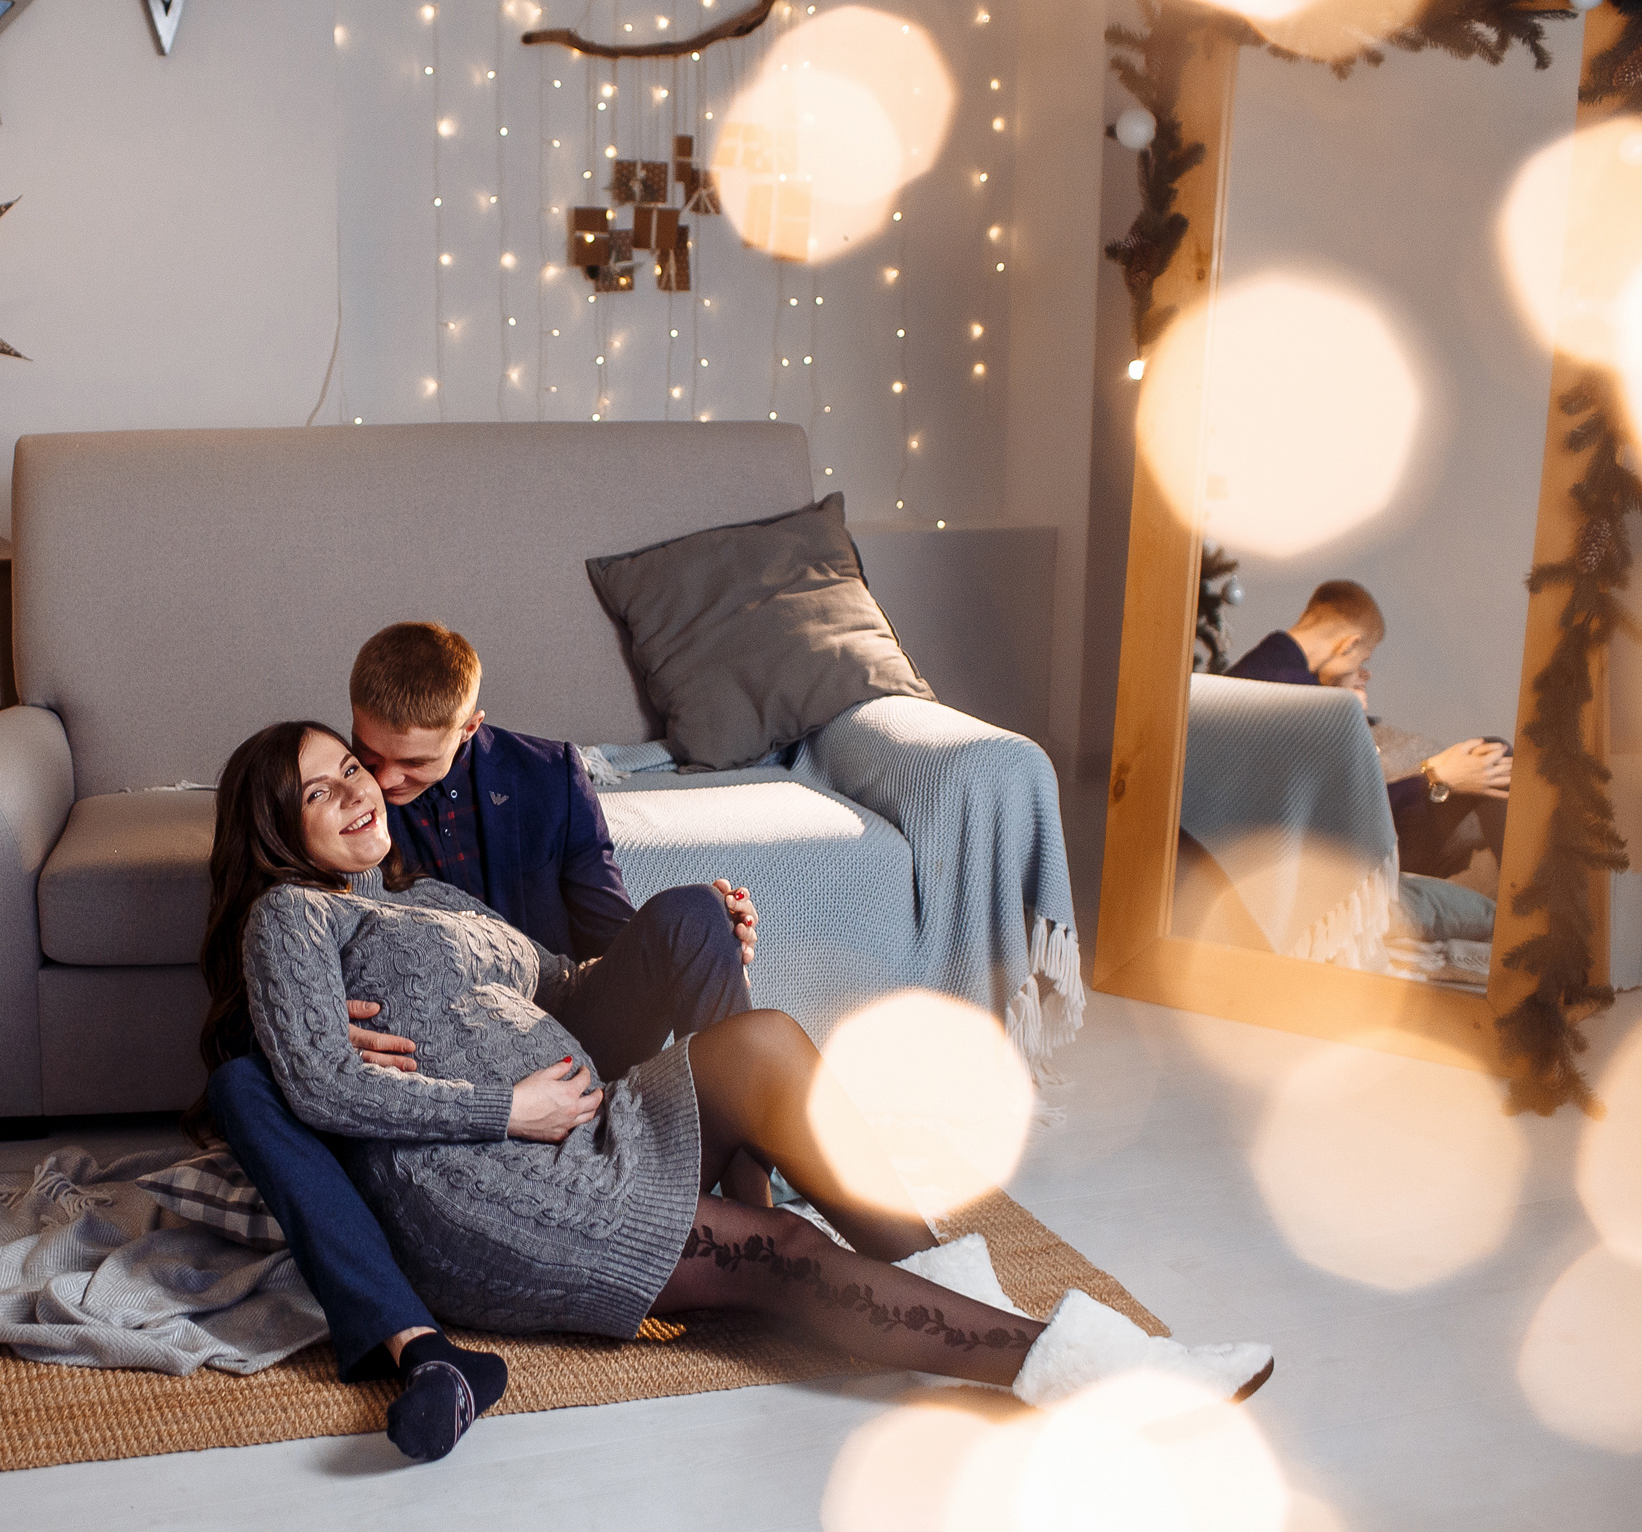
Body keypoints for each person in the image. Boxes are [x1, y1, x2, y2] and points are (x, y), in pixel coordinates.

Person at [203, 720, 1275, 1460]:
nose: (354, 789)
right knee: (782, 1251)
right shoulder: (292, 916)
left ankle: (946, 1278)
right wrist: (506, 1108)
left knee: (761, 1039)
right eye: (317, 790)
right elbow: (321, 1083)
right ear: (277, 829)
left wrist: (701, 939)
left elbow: (564, 987)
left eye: (351, 767)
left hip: (590, 1125)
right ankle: (1100, 1372)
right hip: (494, 1181)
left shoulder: (434, 896)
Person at [202, 623, 764, 1461]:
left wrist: (707, 938)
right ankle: (418, 1346)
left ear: (468, 730)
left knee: (698, 914)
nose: (382, 783)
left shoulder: (550, 778)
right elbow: (287, 911)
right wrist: (314, 1021)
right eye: (364, 754)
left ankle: (754, 1209)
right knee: (247, 1079)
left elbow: (606, 945)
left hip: (551, 1025)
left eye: (405, 765)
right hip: (428, 1079)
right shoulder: (343, 838)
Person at [1225, 580, 1509, 879]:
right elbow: (1347, 816)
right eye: (1362, 659)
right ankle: (1526, 896)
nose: (1362, 672)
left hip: (1271, 846)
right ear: (1347, 645)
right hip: (1331, 857)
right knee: (1493, 751)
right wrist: (1436, 778)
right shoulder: (1311, 705)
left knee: (1484, 759)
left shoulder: (1243, 675)